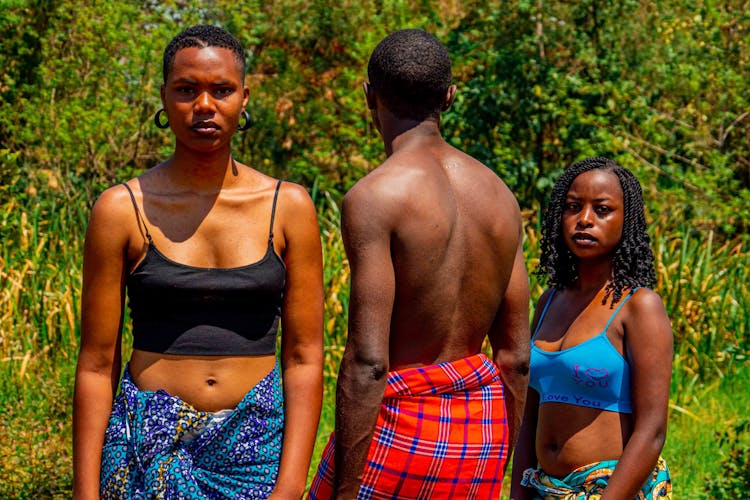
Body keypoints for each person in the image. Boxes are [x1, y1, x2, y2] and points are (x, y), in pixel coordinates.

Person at [72, 25, 324, 499]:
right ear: (164, 98)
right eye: (186, 90)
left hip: (254, 454)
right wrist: (85, 493)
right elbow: (95, 363)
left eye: (221, 90)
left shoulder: (288, 206)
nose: (204, 106)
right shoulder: (122, 208)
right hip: (144, 450)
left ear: (244, 98)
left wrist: (290, 484)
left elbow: (304, 356)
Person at [308, 29, 530, 499]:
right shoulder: (500, 198)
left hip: (399, 436)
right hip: (479, 439)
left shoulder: (373, 198)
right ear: (449, 96)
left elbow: (368, 362)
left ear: (370, 95)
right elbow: (516, 357)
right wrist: (511, 473)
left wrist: (345, 492)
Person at [510, 157, 673, 499]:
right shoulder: (550, 301)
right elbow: (530, 415)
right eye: (573, 207)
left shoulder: (639, 307)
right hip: (544, 488)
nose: (584, 220)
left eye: (602, 210)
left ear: (625, 220)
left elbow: (652, 430)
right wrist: (519, 492)